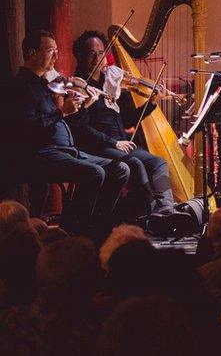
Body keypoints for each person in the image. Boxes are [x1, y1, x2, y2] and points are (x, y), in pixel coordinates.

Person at [2, 30, 129, 235]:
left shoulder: (44, 84)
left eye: (57, 51)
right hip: (42, 154)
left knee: (121, 168)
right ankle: (73, 229)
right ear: (33, 53)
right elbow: (27, 129)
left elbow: (65, 123)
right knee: (94, 173)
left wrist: (85, 105)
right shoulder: (20, 86)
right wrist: (61, 111)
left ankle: (98, 226)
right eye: (51, 50)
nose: (56, 56)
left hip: (66, 150)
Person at [65, 30, 191, 234]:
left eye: (100, 53)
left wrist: (152, 103)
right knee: (135, 163)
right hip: (98, 146)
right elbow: (81, 129)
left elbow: (128, 119)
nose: (97, 58)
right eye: (91, 54)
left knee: (159, 162)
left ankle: (166, 209)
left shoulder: (112, 83)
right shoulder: (80, 86)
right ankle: (152, 216)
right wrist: (114, 143)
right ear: (80, 56)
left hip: (120, 144)